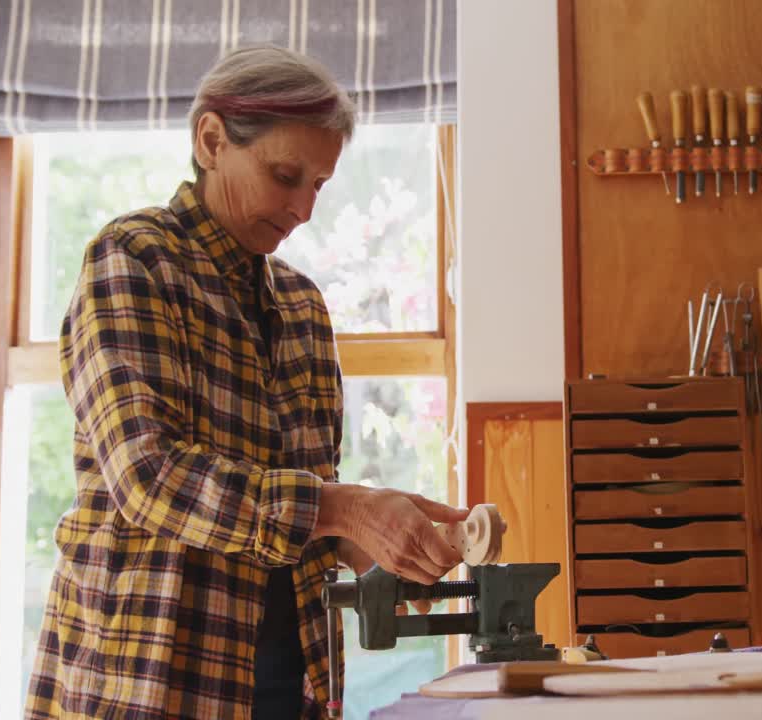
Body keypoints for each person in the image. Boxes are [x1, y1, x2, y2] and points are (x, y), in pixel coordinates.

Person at [25, 45, 467, 719]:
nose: (303, 209)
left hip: (293, 684)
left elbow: (301, 517)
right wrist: (347, 508)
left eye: (318, 185)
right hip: (147, 681)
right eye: (286, 175)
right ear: (211, 140)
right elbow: (148, 478)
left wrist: (378, 541)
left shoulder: (302, 308)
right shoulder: (134, 261)